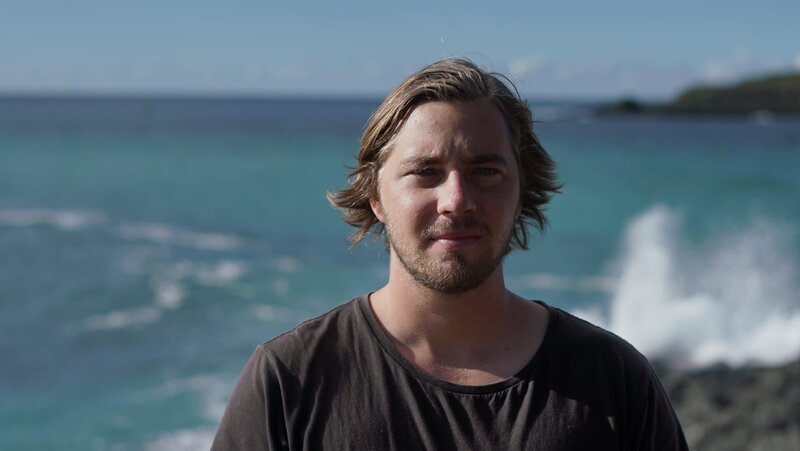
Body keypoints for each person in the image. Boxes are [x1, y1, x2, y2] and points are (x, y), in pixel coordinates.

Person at [211, 58, 688, 450]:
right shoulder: (291, 378)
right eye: (425, 172)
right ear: (375, 197)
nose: (456, 199)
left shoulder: (613, 379)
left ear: (522, 190)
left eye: (485, 171)